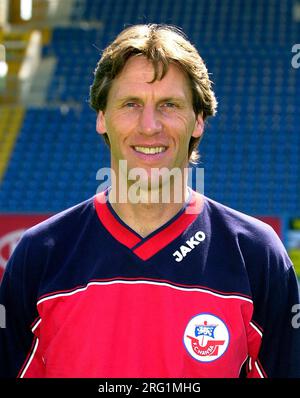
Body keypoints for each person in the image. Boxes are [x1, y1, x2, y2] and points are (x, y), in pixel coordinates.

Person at [0, 24, 299, 378]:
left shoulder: (255, 255)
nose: (149, 125)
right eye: (131, 104)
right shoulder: (41, 255)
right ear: (101, 118)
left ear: (199, 120)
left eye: (169, 105)